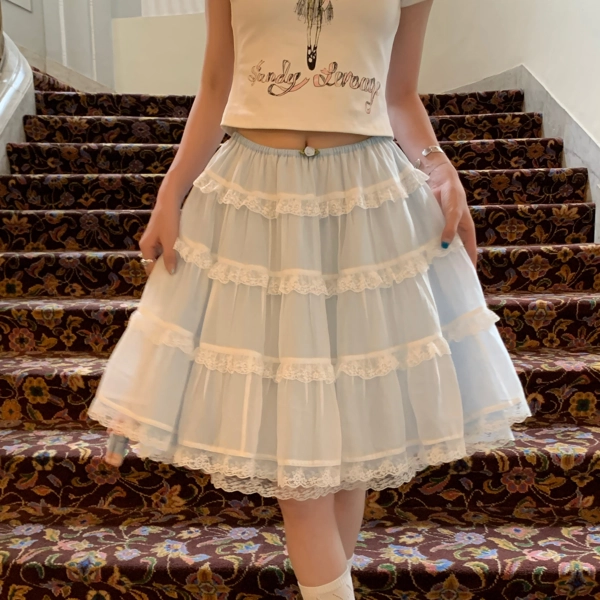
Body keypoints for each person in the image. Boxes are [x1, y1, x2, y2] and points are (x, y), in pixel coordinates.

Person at [88, 1, 532, 598]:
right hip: (254, 198)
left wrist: (440, 168)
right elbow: (216, 84)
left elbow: (399, 94)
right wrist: (171, 192)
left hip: (367, 201)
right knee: (300, 474)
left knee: (348, 451)